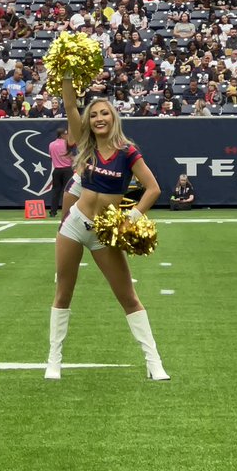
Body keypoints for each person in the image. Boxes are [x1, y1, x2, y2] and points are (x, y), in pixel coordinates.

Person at [48, 79, 167, 381]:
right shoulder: (85, 144)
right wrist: (67, 75)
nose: (99, 118)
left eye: (105, 114)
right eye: (94, 115)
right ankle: (54, 361)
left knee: (128, 296)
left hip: (106, 231)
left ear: (114, 118)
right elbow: (69, 105)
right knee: (63, 293)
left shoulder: (128, 152)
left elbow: (153, 189)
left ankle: (154, 362)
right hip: (75, 224)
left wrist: (133, 217)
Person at [48, 128, 76, 217]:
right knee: (68, 192)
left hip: (56, 170)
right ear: (62, 135)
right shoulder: (67, 143)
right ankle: (69, 212)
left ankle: (53, 212)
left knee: (56, 192)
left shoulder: (51, 144)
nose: (68, 135)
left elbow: (51, 157)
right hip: (67, 170)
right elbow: (71, 157)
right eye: (66, 134)